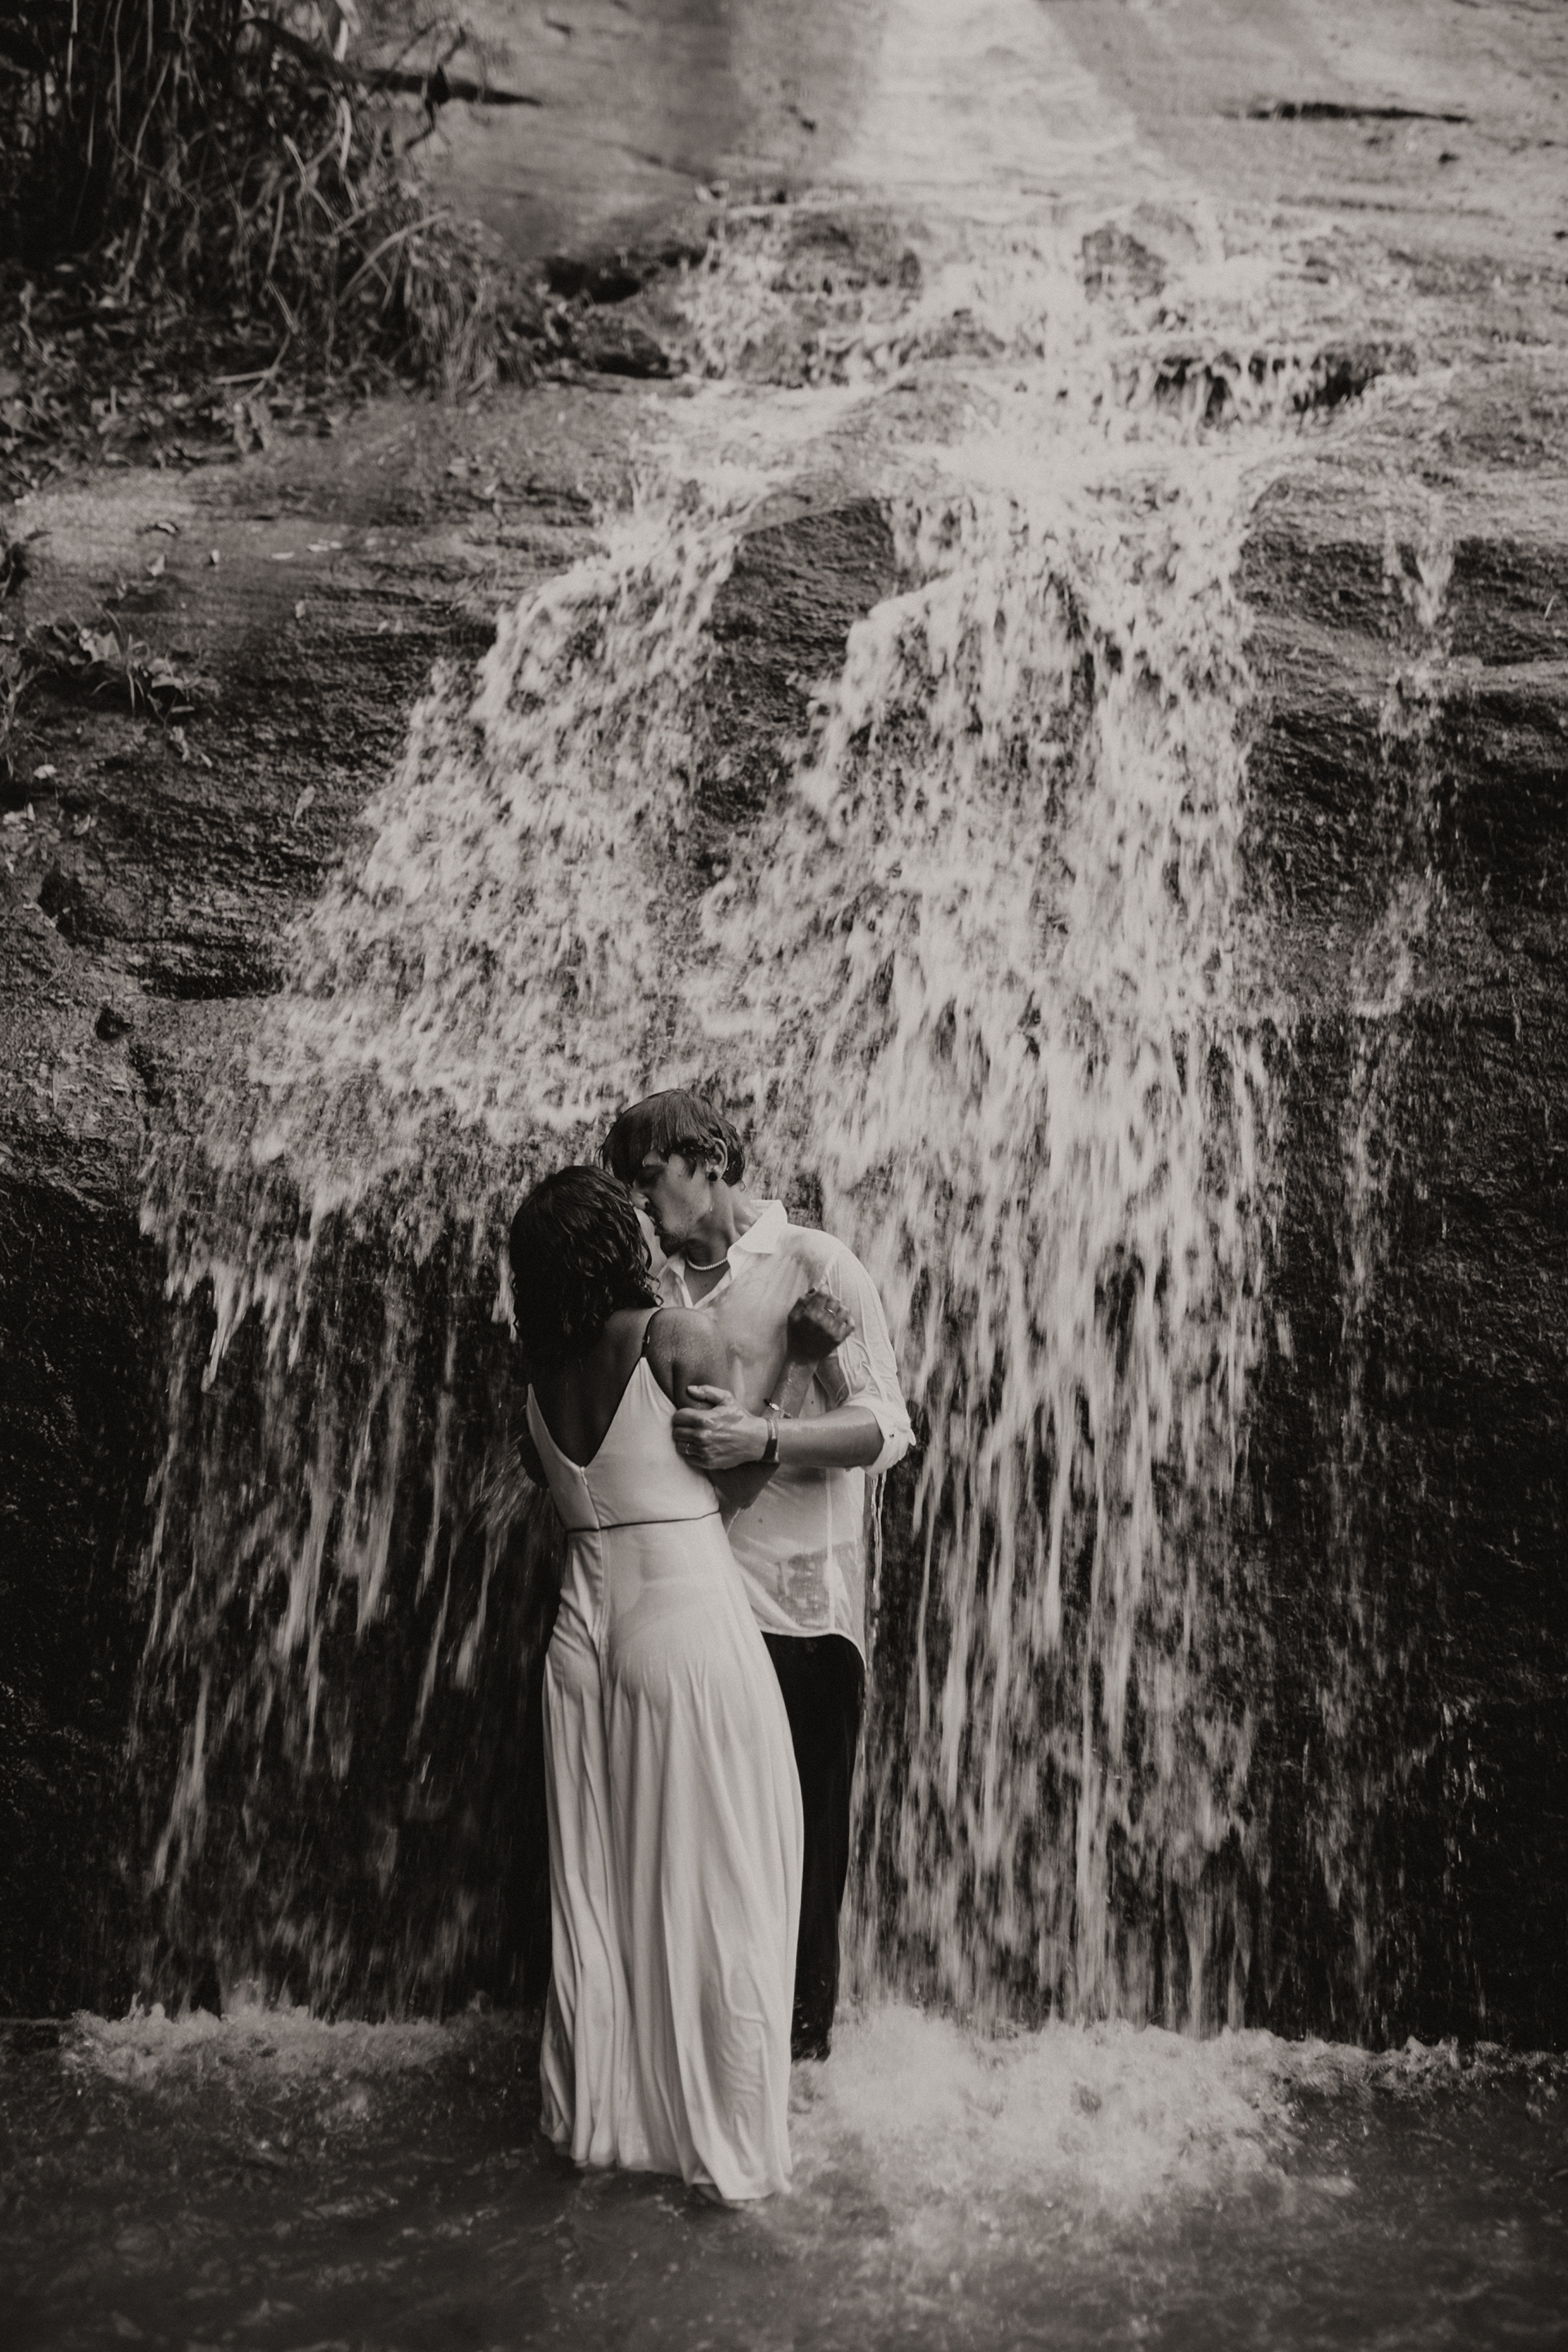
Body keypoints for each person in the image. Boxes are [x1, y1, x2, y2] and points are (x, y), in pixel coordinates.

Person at [510, 1165, 844, 2203]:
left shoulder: (537, 1384)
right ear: (610, 1244)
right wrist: (798, 1360)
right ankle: (727, 2155)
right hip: (683, 1630)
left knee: (601, 1894)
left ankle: (604, 2129)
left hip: (582, 1644)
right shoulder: (670, 1336)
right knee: (723, 1885)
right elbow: (737, 1478)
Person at [600, 1091, 914, 2060]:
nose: (640, 1204)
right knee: (699, 1867)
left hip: (801, 1620)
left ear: (708, 1160)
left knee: (803, 1868)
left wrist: (766, 1435)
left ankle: (802, 2085)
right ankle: (706, 2071)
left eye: (648, 1180)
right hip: (691, 1621)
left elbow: (887, 1428)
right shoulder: (653, 1297)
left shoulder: (816, 1264)